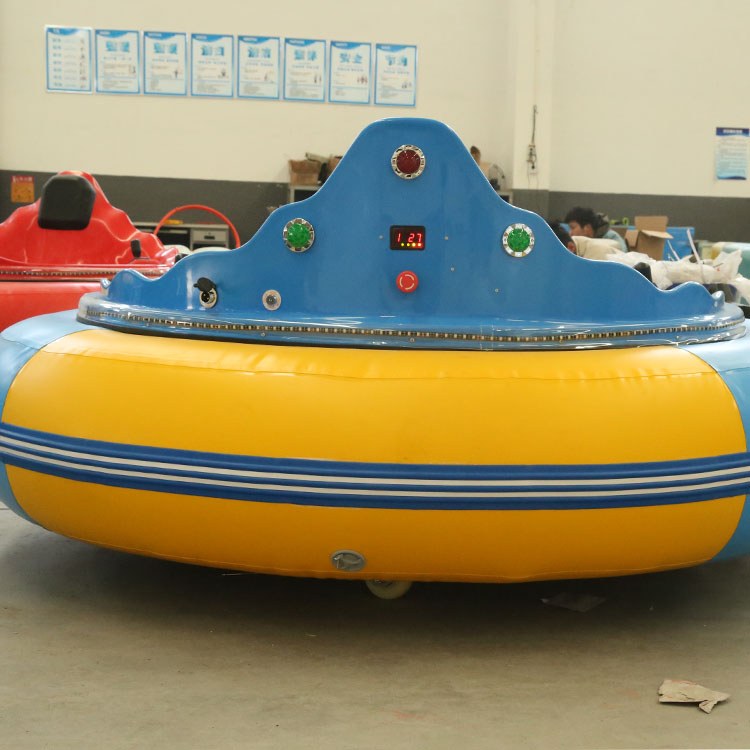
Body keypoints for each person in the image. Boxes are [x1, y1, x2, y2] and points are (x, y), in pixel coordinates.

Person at [564, 206, 628, 253]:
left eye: (573, 228)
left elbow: (622, 260)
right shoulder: (579, 244)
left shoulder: (612, 238)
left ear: (587, 228)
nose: (570, 233)